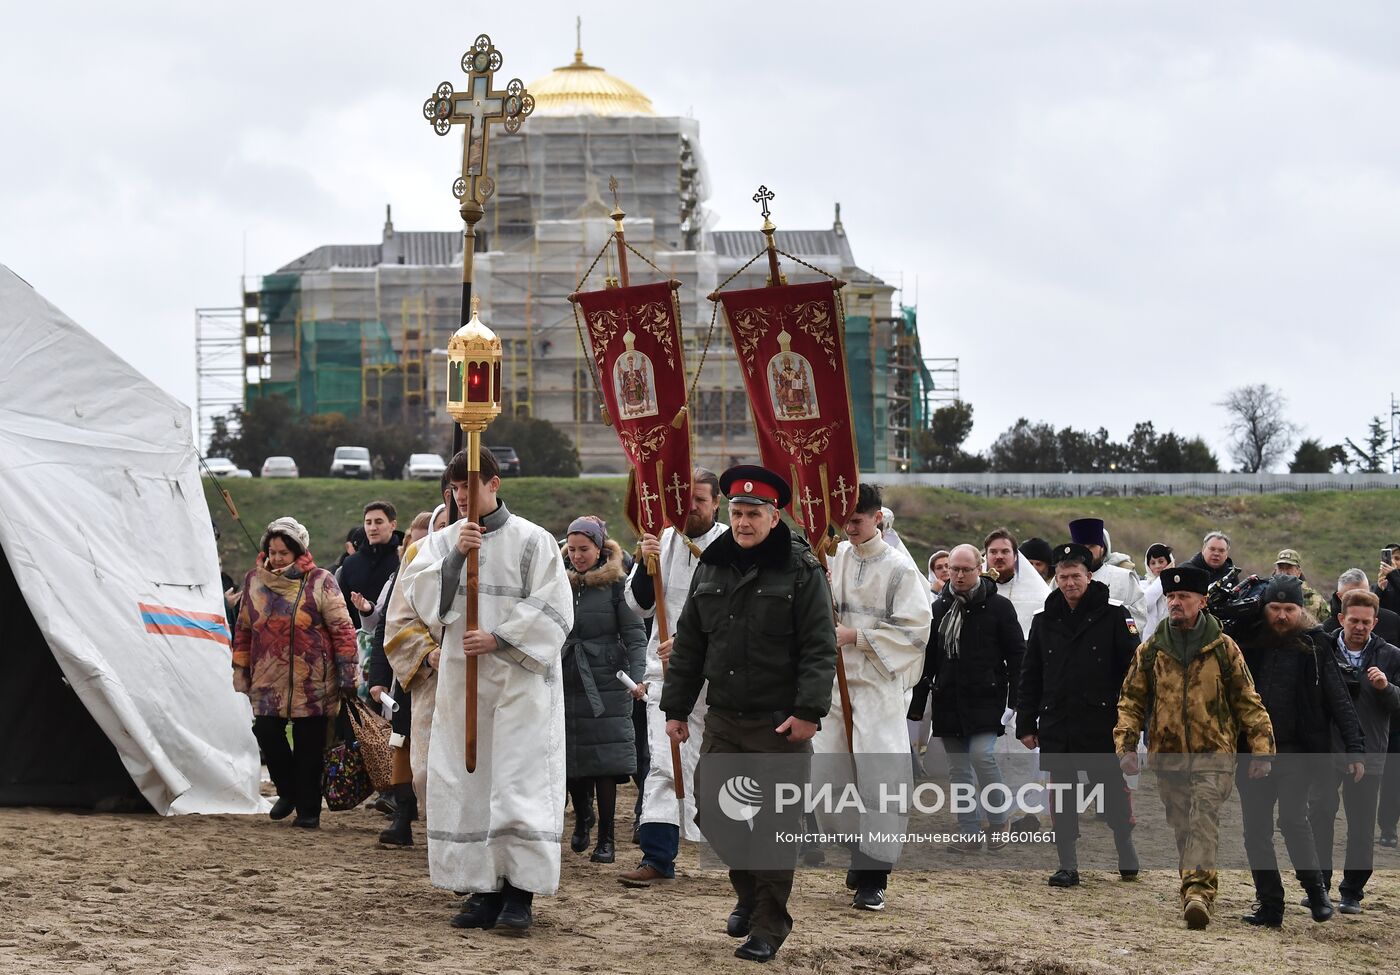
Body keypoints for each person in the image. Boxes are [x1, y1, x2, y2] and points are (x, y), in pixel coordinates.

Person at [393, 447, 573, 932]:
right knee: (469, 783)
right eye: (453, 489)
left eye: (468, 486)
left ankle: (520, 894)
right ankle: (481, 889)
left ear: (494, 484)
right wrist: (455, 558)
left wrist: (499, 636)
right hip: (463, 686)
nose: (460, 496)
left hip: (520, 688)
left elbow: (556, 609)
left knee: (517, 786)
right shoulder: (441, 542)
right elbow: (419, 597)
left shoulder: (534, 540)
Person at [661, 465, 836, 964]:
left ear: (773, 515)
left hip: (780, 723)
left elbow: (820, 647)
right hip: (724, 717)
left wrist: (808, 711)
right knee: (714, 813)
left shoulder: (801, 569)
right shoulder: (711, 565)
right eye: (736, 512)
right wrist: (675, 706)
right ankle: (748, 893)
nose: (743, 522)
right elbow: (691, 642)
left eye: (753, 513)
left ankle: (768, 923)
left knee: (775, 826)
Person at [1114, 564, 1274, 930]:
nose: (1175, 603)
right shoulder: (1152, 649)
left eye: (1183, 597)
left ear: (1202, 601)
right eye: (1170, 597)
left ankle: (1198, 892)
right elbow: (1131, 700)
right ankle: (1193, 884)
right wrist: (1125, 744)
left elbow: (1248, 700)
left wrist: (1262, 748)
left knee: (1203, 818)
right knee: (1182, 824)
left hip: (1214, 753)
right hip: (1167, 755)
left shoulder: (1223, 648)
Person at [814, 483, 932, 911]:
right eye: (845, 521)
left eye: (858, 521)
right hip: (834, 685)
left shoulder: (899, 568)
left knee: (879, 779)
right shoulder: (836, 555)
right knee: (829, 777)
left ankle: (874, 875)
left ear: (878, 516)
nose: (850, 529)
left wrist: (858, 636)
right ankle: (858, 850)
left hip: (878, 687)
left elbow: (917, 631)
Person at [618, 468, 728, 889]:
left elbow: (737, 612)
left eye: (701, 500)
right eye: (686, 500)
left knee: (714, 763)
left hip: (717, 674)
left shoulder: (730, 544)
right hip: (664, 672)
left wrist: (689, 641)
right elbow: (639, 605)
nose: (692, 508)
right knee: (664, 763)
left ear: (716, 502)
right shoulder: (661, 540)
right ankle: (659, 856)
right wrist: (647, 565)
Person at [1232, 575, 1363, 927]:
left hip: (1298, 751)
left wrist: (1355, 748)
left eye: (1289, 609)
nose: (1281, 616)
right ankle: (1270, 904)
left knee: (1293, 820)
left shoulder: (1316, 646)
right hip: (1253, 751)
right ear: (1265, 608)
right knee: (1255, 831)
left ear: (1300, 610)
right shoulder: (1249, 642)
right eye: (1275, 608)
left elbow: (1338, 698)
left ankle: (1317, 892)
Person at [1017, 543, 1139, 888]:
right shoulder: (1044, 620)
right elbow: (1031, 675)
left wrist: (1132, 726)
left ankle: (1125, 846)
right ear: (1056, 579)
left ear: (1089, 576)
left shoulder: (1116, 614)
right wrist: (1026, 723)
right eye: (1063, 577)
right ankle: (1067, 864)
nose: (1070, 583)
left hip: (1102, 724)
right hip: (1058, 722)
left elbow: (1134, 673)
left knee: (1112, 791)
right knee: (1063, 796)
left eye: (1076, 576)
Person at [233, 517, 358, 829]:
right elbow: (244, 629)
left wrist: (348, 673)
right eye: (272, 552)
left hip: (313, 677)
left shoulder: (320, 580)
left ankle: (308, 810)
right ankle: (287, 790)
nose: (276, 558)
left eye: (283, 553)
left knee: (309, 746)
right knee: (266, 732)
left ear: (299, 552)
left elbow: (343, 630)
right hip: (266, 676)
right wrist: (240, 668)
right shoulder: (254, 582)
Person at [909, 543, 1025, 852]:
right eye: (953, 570)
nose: (957, 575)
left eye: (965, 570)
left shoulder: (999, 607)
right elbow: (928, 661)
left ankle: (999, 820)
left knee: (982, 757)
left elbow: (1017, 656)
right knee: (958, 770)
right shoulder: (939, 608)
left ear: (979, 569)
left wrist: (1016, 702)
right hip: (949, 699)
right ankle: (970, 831)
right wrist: (918, 706)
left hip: (987, 699)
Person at [1307, 589, 1400, 914]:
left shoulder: (1390, 655)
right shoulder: (1321, 648)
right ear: (1341, 618)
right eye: (1354, 620)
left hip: (1371, 748)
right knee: (1319, 811)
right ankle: (1319, 883)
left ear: (1375, 621)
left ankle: (1352, 892)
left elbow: (1399, 703)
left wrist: (1386, 688)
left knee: (1361, 824)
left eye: (1366, 622)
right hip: (1327, 747)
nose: (1360, 627)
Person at [561, 516, 647, 866]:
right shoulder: (557, 583)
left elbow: (635, 635)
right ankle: (583, 816)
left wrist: (638, 676)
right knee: (572, 759)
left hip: (608, 682)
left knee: (605, 765)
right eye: (573, 549)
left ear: (599, 548)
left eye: (585, 549)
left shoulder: (616, 586)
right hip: (566, 678)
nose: (578, 556)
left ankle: (607, 838)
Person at [367, 511, 435, 847]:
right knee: (402, 743)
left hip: (442, 674)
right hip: (409, 673)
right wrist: (379, 677)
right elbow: (387, 629)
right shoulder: (402, 577)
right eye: (415, 540)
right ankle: (402, 814)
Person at [1066, 519, 1147, 630]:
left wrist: (1115, 622)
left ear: (1102, 548)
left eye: (1092, 546)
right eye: (1082, 547)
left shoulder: (1124, 577)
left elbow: (1139, 617)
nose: (1087, 552)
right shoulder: (1063, 580)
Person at [984, 527, 1049, 638]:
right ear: (986, 556)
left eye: (1005, 551)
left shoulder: (1039, 594)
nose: (999, 556)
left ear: (1015, 557)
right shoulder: (974, 589)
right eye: (993, 552)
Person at [1272, 549, 1329, 621]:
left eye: (1289, 568)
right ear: (1275, 571)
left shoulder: (1315, 599)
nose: (1284, 573)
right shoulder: (1265, 595)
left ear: (1298, 572)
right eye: (1281, 568)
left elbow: (1328, 627)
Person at [1375, 545, 1400, 616]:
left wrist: (1393, 574)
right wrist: (1379, 589)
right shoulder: (1380, 583)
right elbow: (1372, 607)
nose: (1392, 562)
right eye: (1389, 559)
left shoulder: (1394, 577)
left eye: (1397, 559)